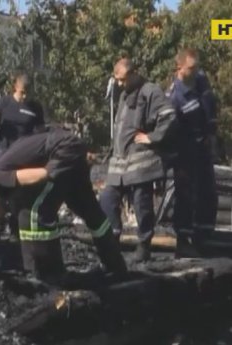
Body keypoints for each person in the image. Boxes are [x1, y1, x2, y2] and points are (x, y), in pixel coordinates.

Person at [0, 128, 127, 284]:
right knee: (87, 208)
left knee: (34, 210)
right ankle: (115, 265)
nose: (0, 217)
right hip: (68, 147)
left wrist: (53, 173)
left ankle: (48, 272)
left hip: (62, 150)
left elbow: (39, 175)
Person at [99, 58, 178, 262]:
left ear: (134, 73)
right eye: (116, 80)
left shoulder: (151, 91)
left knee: (142, 203)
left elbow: (169, 115)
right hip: (120, 162)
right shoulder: (125, 94)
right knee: (108, 199)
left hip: (141, 161)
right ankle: (114, 238)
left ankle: (144, 245)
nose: (119, 84)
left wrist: (152, 137)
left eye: (122, 79)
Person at [167, 48, 218, 257]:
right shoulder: (174, 97)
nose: (196, 71)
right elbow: (170, 131)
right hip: (185, 153)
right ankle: (183, 240)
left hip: (202, 147)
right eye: (191, 68)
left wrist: (211, 134)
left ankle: (204, 236)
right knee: (186, 196)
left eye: (197, 67)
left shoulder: (200, 80)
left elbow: (209, 106)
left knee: (208, 193)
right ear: (179, 68)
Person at [0, 72, 46, 242]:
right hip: (4, 152)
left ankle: (15, 228)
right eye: (22, 92)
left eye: (28, 92)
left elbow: (40, 132)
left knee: (19, 193)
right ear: (15, 88)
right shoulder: (5, 102)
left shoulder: (35, 108)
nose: (25, 96)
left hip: (24, 154)